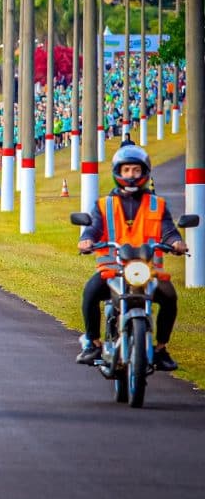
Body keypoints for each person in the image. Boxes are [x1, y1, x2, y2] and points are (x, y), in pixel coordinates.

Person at [75, 145, 187, 371]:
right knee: (90, 292)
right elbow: (94, 229)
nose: (131, 175)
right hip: (112, 269)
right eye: (126, 170)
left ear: (144, 172)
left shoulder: (158, 204)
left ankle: (161, 348)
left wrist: (176, 242)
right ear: (118, 172)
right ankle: (94, 343)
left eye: (136, 170)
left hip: (148, 270)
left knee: (170, 297)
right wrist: (86, 240)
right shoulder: (104, 204)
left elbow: (168, 229)